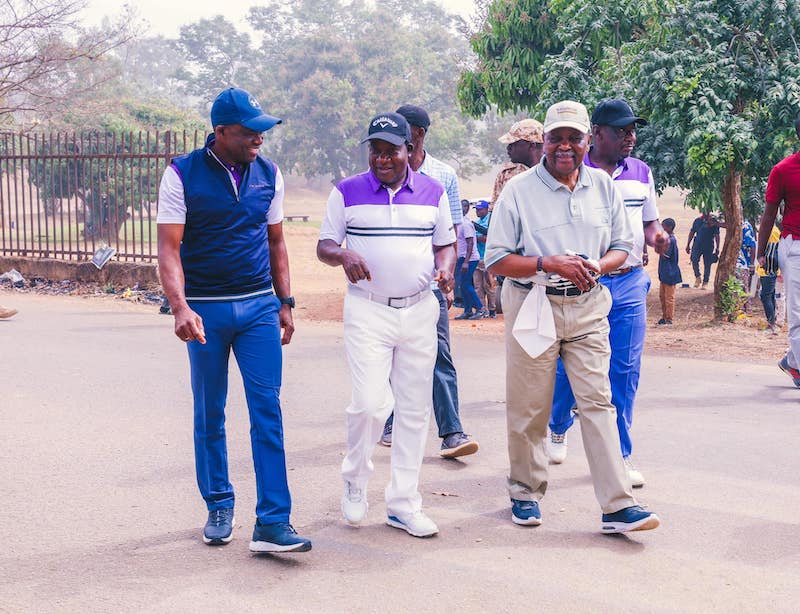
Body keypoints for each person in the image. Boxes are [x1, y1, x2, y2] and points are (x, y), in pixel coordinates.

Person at [485, 99, 659, 533]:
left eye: (573, 138)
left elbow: (623, 246)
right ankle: (525, 492)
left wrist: (595, 266)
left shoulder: (603, 186)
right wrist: (548, 263)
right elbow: (497, 259)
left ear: (587, 141)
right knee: (530, 407)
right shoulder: (518, 191)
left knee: (599, 402)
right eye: (556, 138)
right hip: (533, 305)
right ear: (543, 141)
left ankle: (617, 505)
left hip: (587, 304)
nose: (565, 146)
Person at [157, 87, 311, 553]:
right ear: (220, 132)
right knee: (210, 411)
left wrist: (285, 301)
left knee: (268, 411)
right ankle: (219, 504)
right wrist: (180, 307)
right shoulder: (182, 174)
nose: (259, 139)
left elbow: (277, 241)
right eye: (249, 132)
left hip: (259, 307)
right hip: (205, 310)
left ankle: (273, 522)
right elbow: (169, 248)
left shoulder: (269, 174)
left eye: (262, 132)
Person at [317, 111, 456, 537]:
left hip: (419, 310)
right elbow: (325, 245)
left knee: (413, 410)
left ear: (408, 150)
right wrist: (344, 254)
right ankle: (355, 479)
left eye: (390, 151)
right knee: (369, 404)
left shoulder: (433, 192)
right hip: (368, 310)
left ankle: (403, 504)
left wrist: (446, 268)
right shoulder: (347, 191)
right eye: (375, 151)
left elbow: (446, 244)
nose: (382, 158)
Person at [547, 99, 669, 489]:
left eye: (632, 131)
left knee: (624, 370)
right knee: (569, 365)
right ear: (597, 134)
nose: (630, 137)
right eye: (621, 131)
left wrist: (658, 237)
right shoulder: (573, 172)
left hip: (629, 281)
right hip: (584, 283)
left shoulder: (641, 172)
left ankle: (620, 454)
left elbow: (649, 223)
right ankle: (557, 425)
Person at [380, 104, 479, 460]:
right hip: (388, 286)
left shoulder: (443, 175)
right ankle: (390, 422)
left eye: (402, 129)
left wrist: (449, 276)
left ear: (419, 134)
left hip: (430, 287)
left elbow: (450, 232)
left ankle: (452, 432)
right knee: (390, 356)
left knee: (440, 356)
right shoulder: (382, 170)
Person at [757, 116, 800, 387]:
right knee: (798, 311)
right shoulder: (783, 170)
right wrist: (760, 252)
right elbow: (769, 214)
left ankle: (793, 361)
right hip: (795, 247)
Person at [492, 119, 544, 208]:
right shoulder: (506, 174)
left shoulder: (554, 173)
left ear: (531, 146)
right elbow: (495, 211)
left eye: (513, 144)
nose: (508, 148)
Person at [455, 198, 487, 320]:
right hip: (462, 258)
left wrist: (466, 262)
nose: (461, 209)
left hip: (470, 259)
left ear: (467, 209)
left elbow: (470, 243)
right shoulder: (458, 223)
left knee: (466, 284)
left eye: (464, 207)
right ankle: (468, 311)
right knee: (463, 285)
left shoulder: (466, 224)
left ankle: (481, 308)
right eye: (460, 207)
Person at [472, 199, 496, 317]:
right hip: (477, 257)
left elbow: (490, 237)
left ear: (486, 209)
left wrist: (478, 238)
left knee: (488, 285)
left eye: (480, 209)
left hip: (488, 257)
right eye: (476, 209)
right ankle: (482, 309)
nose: (478, 211)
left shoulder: (491, 221)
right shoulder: (476, 222)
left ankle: (492, 309)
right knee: (478, 286)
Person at [657, 218, 682, 325]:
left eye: (663, 226)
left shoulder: (670, 241)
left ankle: (669, 318)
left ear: (669, 227)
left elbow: (666, 255)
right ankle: (664, 316)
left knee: (669, 298)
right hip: (665, 272)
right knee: (662, 296)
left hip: (670, 272)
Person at [757, 222, 780, 333]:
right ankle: (772, 322)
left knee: (765, 296)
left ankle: (772, 324)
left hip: (768, 269)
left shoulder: (772, 231)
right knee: (769, 296)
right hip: (767, 269)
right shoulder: (772, 230)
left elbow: (773, 251)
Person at [686, 213, 720, 289]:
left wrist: (717, 247)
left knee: (707, 264)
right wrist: (688, 244)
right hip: (697, 244)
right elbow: (692, 232)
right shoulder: (697, 220)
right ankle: (698, 277)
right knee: (694, 259)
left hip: (709, 245)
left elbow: (717, 235)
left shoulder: (714, 222)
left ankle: (705, 282)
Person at [735, 219, 757, 310]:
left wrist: (751, 264)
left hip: (742, 263)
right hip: (735, 262)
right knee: (736, 288)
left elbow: (752, 245)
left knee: (743, 288)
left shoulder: (745, 226)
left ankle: (747, 309)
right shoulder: (735, 224)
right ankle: (739, 309)